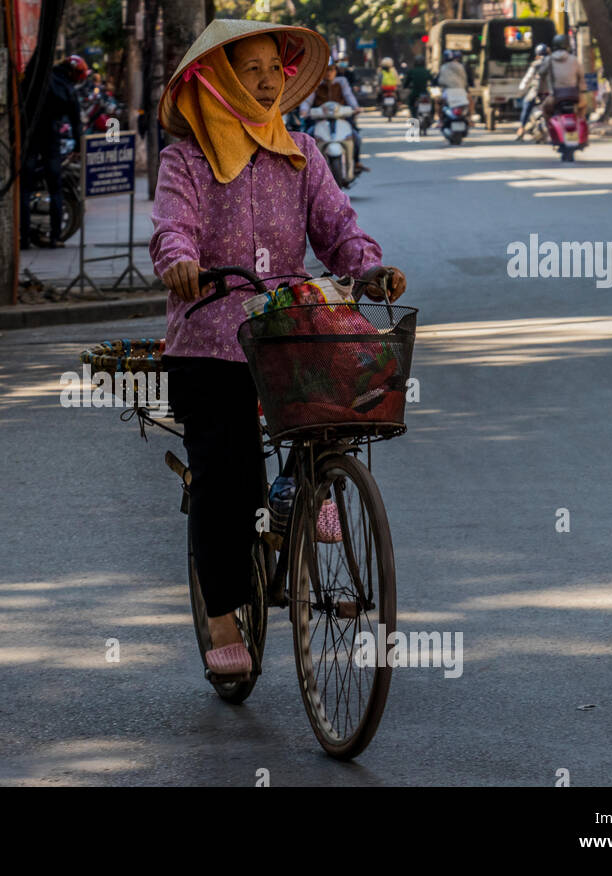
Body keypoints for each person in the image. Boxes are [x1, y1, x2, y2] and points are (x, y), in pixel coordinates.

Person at [150, 20, 406, 677]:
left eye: (274, 69)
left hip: (284, 327)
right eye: (251, 70)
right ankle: (220, 617)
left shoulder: (301, 153)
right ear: (222, 80)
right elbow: (172, 227)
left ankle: (312, 479)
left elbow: (337, 227)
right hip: (209, 334)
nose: (267, 82)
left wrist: (367, 267)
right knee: (226, 475)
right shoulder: (187, 158)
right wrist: (179, 260)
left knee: (347, 381)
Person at [21, 55, 85, 248]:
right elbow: (76, 122)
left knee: (24, 188)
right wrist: (79, 148)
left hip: (28, 137)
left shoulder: (36, 78)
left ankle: (22, 238)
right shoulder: (67, 89)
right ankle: (55, 237)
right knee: (55, 187)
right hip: (50, 140)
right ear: (73, 73)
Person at [515, 44, 551, 141]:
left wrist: (521, 90)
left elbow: (527, 79)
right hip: (551, 94)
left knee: (526, 106)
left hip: (537, 93)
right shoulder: (554, 64)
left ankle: (521, 129)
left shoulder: (535, 64)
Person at [543, 34, 582, 105]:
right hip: (573, 95)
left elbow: (541, 72)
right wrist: (582, 91)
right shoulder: (574, 59)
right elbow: (581, 76)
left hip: (556, 96)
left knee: (545, 108)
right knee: (583, 107)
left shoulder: (549, 59)